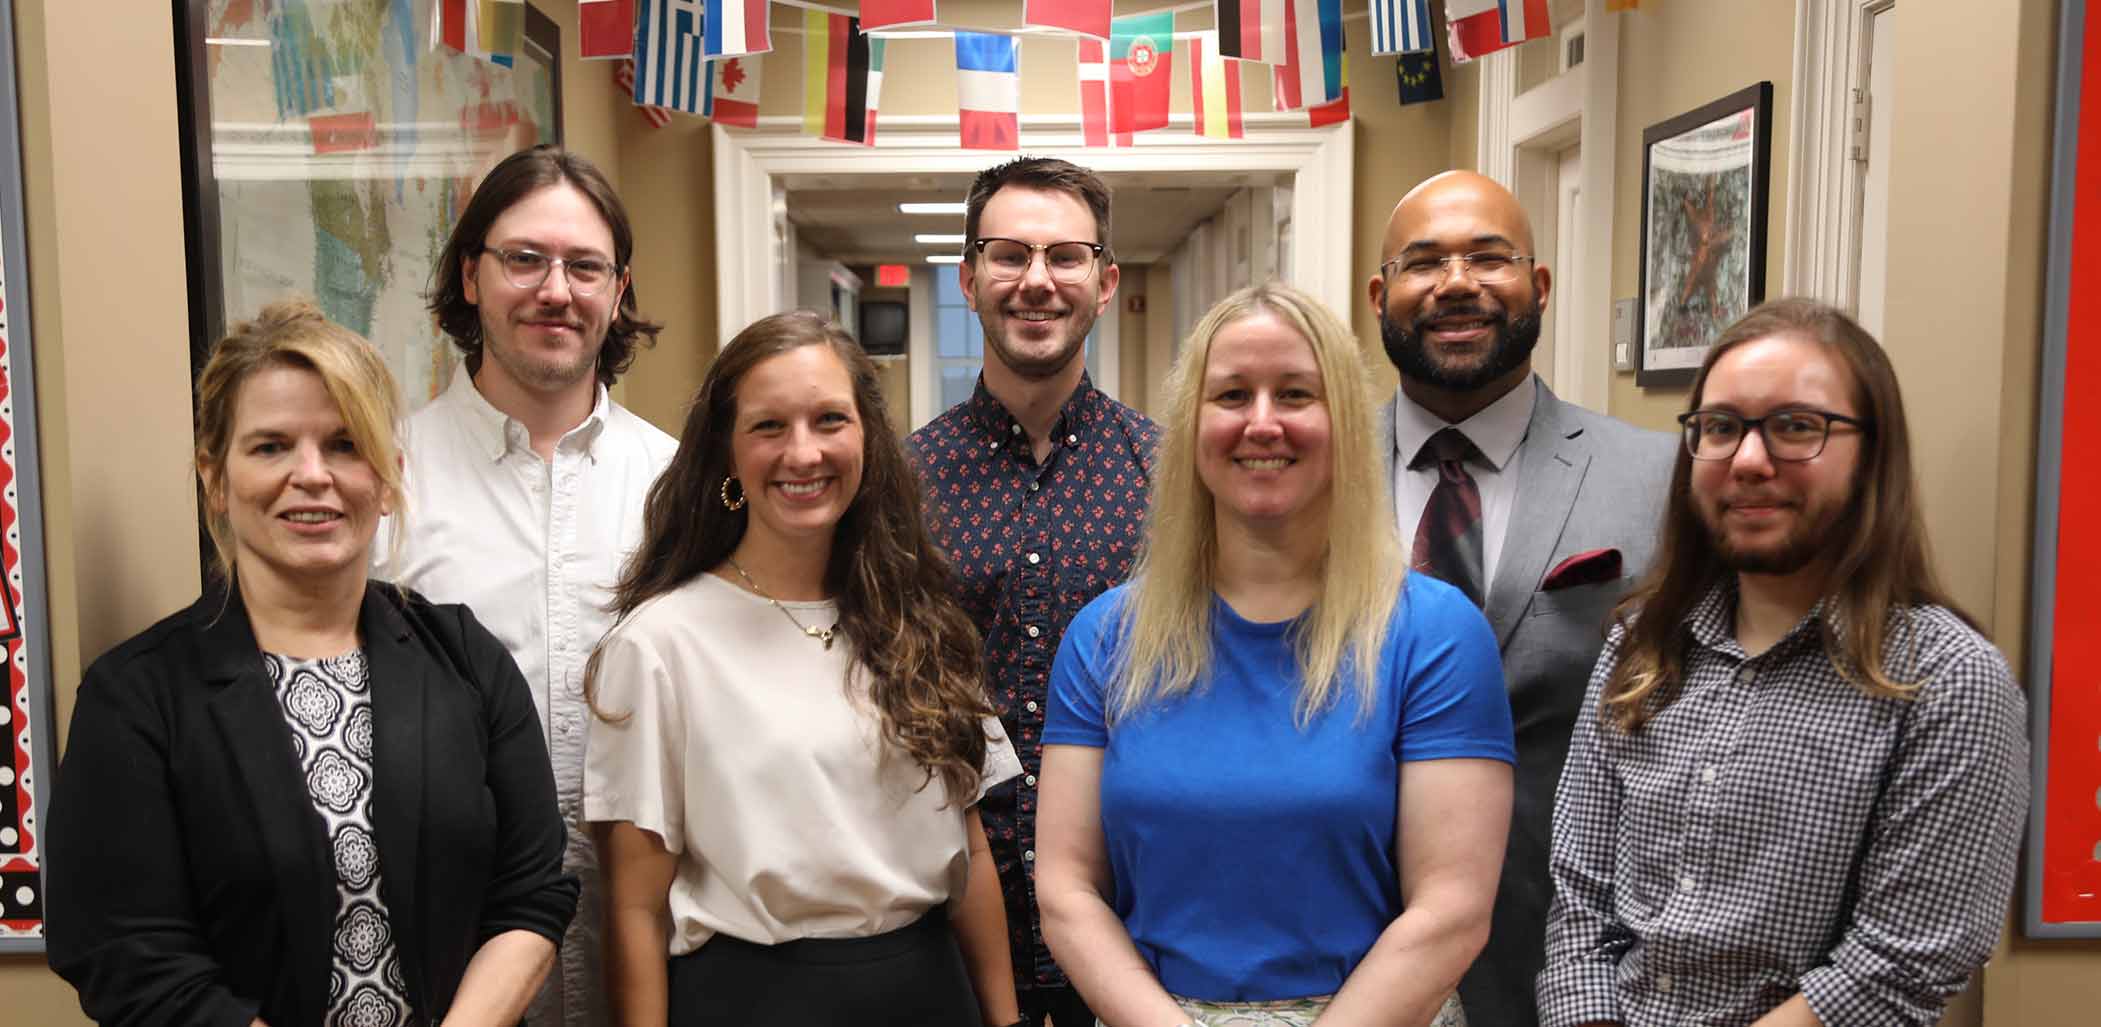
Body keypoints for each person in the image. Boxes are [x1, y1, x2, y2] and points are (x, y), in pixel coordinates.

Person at [45, 298, 577, 1027]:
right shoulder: (137, 698)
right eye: (270, 446)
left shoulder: (466, 660)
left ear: (387, 475)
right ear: (215, 478)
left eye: (343, 444)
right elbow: (129, 954)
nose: (311, 474)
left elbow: (530, 894)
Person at [1537, 299, 2029, 1027]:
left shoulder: (1949, 681)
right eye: (1720, 427)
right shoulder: (1639, 645)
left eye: (1796, 427)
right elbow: (1579, 900)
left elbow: (1898, 965)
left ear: (1871, 454)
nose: (1748, 460)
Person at [1037, 283, 1516, 1027]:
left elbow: (1450, 909)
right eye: (1231, 394)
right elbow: (1066, 891)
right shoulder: (1103, 638)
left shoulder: (1435, 635)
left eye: (1295, 393)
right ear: (1191, 425)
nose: (1262, 423)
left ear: (1345, 423)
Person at [584, 311, 1025, 1027]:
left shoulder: (923, 619)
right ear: (725, 451)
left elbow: (968, 852)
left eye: (829, 419)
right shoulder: (659, 645)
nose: (803, 452)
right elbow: (634, 906)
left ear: (866, 439)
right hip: (751, 1001)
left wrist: (1004, 1021)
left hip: (929, 994)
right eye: (767, 426)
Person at [1366, 169, 1676, 1027]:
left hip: (1569, 956)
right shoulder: (1307, 473)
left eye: (1489, 258)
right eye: (1423, 262)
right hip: (1337, 942)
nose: (1457, 283)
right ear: (1379, 294)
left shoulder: (1657, 478)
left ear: (1537, 286)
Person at [385, 144, 676, 1027]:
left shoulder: (682, 486)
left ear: (617, 292)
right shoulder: (384, 479)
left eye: (585, 266)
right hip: (447, 940)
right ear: (470, 276)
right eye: (524, 259)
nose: (557, 290)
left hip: (651, 935)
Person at [908, 155, 1159, 1027]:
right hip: (944, 918)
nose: (1036, 281)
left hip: (1139, 919)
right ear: (970, 278)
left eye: (1065, 256)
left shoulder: (1171, 477)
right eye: (1009, 255)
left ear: (1104, 281)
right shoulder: (900, 485)